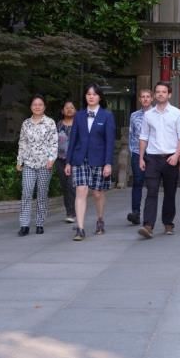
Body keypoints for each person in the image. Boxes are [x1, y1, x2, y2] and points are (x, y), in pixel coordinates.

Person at [65, 84, 116, 241]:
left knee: (97, 193)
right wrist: (68, 162)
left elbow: (110, 142)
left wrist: (108, 163)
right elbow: (73, 140)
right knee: (81, 191)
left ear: (100, 97)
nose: (91, 97)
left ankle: (100, 219)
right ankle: (80, 228)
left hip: (99, 159)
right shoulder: (79, 115)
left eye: (94, 94)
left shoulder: (107, 115)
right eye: (88, 94)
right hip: (80, 158)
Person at [137, 81, 180, 239]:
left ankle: (168, 223)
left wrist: (176, 155)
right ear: (154, 95)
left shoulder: (177, 113)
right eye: (158, 92)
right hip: (152, 158)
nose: (160, 94)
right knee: (151, 191)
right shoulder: (148, 115)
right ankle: (148, 225)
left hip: (170, 158)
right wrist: (141, 157)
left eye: (163, 92)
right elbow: (144, 137)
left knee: (170, 193)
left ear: (169, 94)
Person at [16, 94, 58, 236]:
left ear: (44, 107)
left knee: (42, 194)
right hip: (29, 163)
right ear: (30, 107)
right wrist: (19, 160)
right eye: (35, 104)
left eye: (40, 104)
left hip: (45, 164)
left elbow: (54, 143)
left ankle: (40, 223)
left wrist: (51, 159)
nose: (37, 107)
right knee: (26, 192)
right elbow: (22, 142)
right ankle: (24, 225)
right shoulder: (26, 124)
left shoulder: (50, 123)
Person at [127, 89, 153, 225]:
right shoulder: (134, 115)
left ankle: (149, 214)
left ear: (152, 99)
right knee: (137, 181)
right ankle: (135, 212)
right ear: (139, 99)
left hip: (153, 153)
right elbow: (131, 135)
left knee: (151, 184)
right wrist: (133, 152)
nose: (145, 99)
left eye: (148, 97)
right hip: (137, 153)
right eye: (143, 97)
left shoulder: (157, 114)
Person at [55, 99, 77, 223]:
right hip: (60, 159)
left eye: (72, 107)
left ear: (75, 111)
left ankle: (72, 212)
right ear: (62, 111)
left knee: (71, 185)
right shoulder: (58, 125)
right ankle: (69, 210)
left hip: (74, 160)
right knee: (64, 186)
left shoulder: (78, 125)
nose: (69, 109)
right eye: (67, 108)